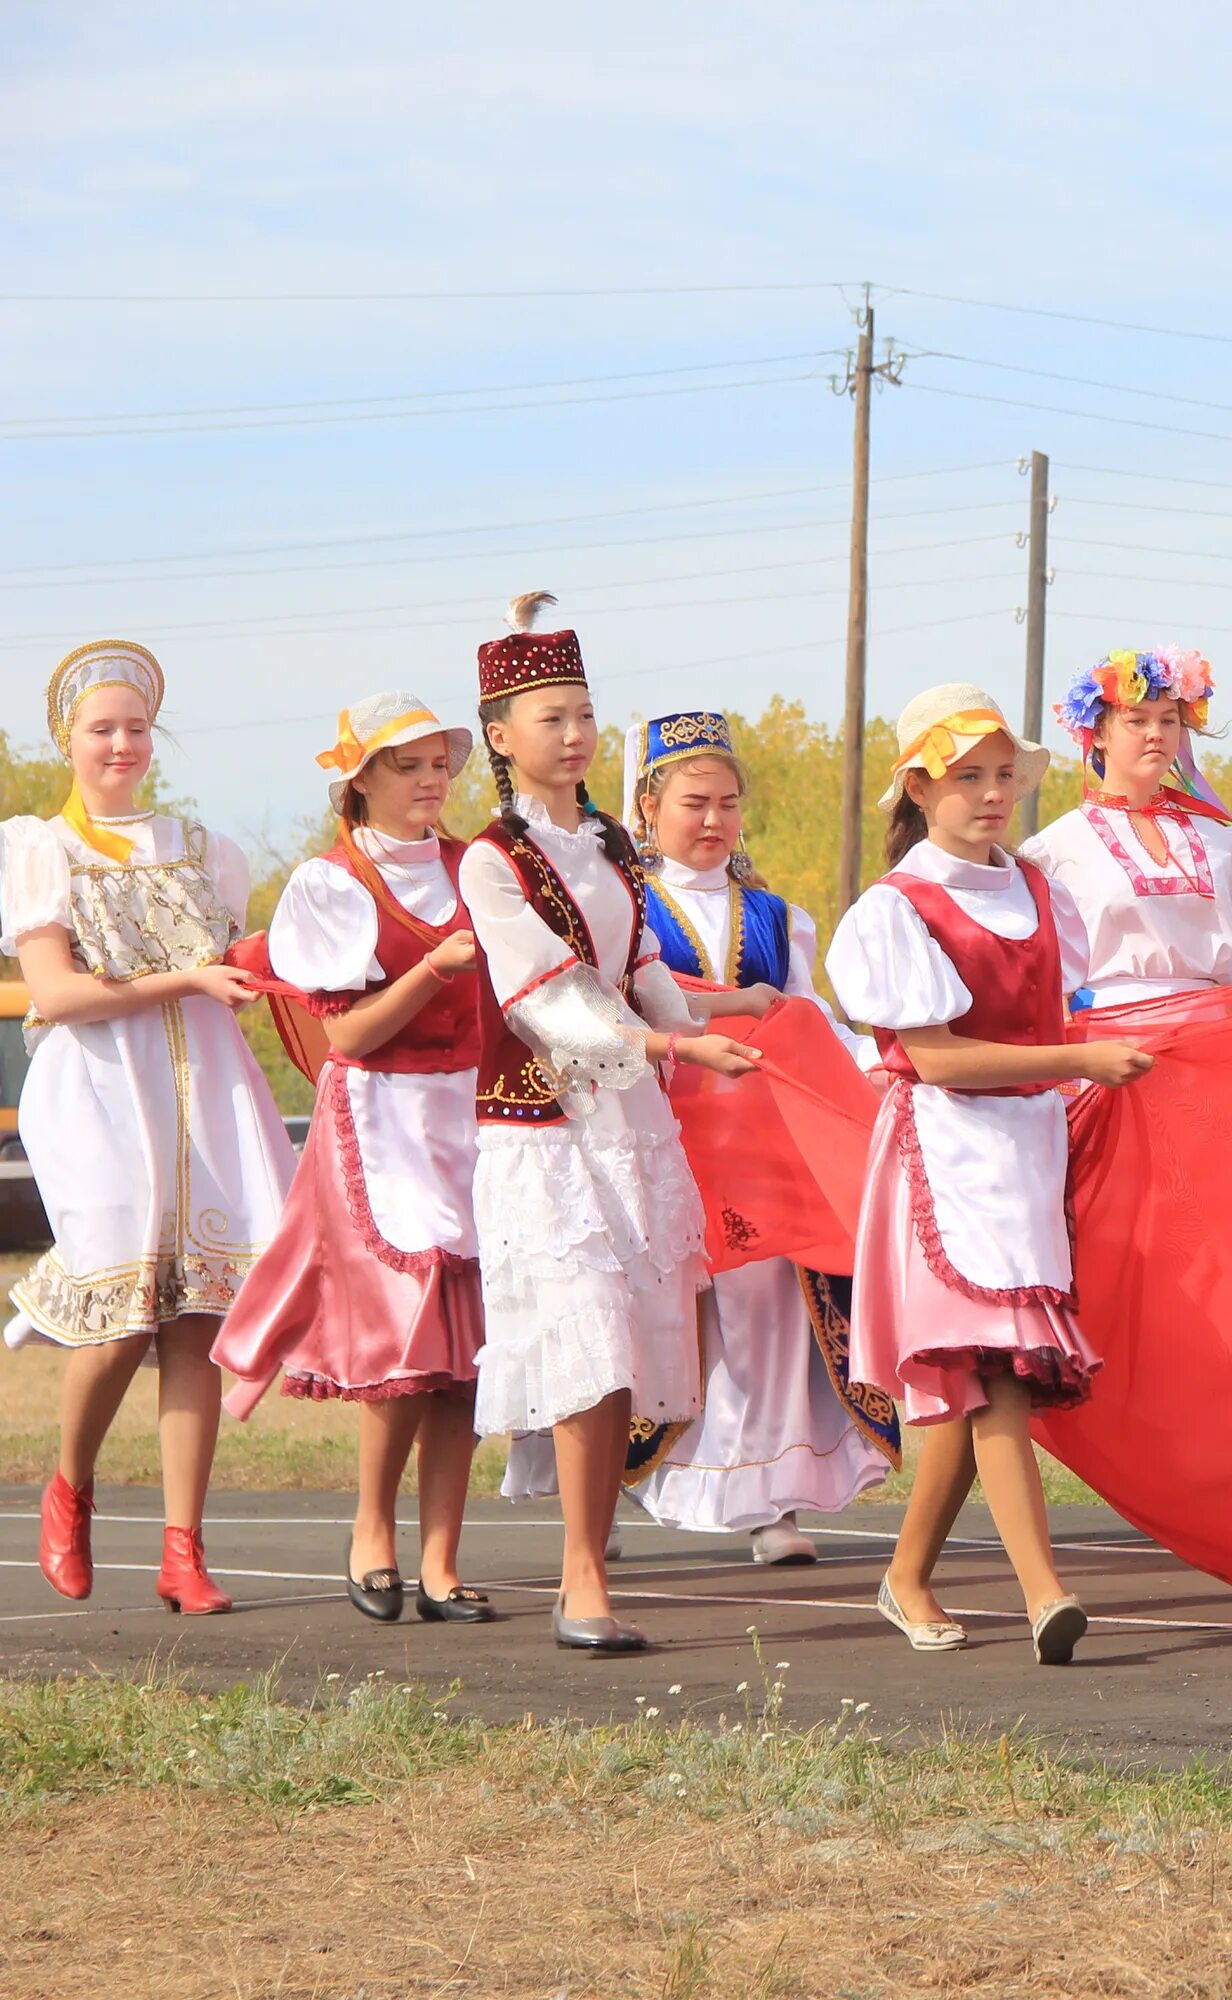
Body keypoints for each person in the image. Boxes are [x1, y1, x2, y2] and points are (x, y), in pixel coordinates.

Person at [460, 592, 758, 1652]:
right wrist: (676, 1047)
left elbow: (639, 970)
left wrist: (711, 1024)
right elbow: (544, 995)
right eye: (552, 716)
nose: (575, 732)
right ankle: (580, 1574)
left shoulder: (611, 840)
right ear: (502, 736)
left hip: (627, 1117)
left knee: (624, 1331)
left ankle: (592, 1554)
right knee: (583, 1321)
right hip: (542, 1129)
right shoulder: (491, 859)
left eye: (585, 712)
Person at [830, 683, 1148, 1664]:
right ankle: (1044, 1591)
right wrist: (1079, 1063)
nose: (992, 792)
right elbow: (934, 1059)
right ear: (921, 786)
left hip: (1026, 1151)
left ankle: (907, 1573)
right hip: (947, 1153)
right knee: (999, 1370)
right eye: (969, 775)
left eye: (1004, 774)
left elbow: (1070, 1014)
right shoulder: (896, 907)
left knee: (978, 1382)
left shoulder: (1038, 889)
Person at [4, 641, 294, 1613]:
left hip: (202, 1084)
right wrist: (191, 979)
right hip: (96, 1090)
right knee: (122, 1307)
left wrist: (247, 981)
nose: (120, 744)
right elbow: (56, 992)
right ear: (68, 740)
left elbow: (229, 975)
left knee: (197, 1316)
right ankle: (72, 1484)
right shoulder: (40, 848)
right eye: (101, 729)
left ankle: (184, 1546)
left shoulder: (210, 849)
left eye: (134, 727)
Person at [214, 693, 499, 1623]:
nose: (430, 781)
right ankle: (373, 1528)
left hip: (476, 1116)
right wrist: (432, 969)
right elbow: (352, 1039)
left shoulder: (480, 867)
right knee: (409, 1344)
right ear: (361, 781)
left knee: (470, 1355)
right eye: (407, 766)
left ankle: (445, 1560)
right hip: (381, 1118)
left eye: (437, 764)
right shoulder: (331, 884)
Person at [618, 711, 894, 1565]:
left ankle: (769, 1496)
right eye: (695, 802)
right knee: (663, 1313)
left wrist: (875, 1071)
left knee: (767, 1310)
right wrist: (734, 1006)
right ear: (649, 806)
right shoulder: (621, 906)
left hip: (764, 1147)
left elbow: (812, 1018)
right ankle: (614, 1479)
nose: (713, 821)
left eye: (728, 804)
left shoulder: (777, 915)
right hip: (661, 1133)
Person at [1023, 646, 1232, 1007]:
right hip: (1104, 1037)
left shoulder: (1222, 841)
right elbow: (1028, 963)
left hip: (1207, 1035)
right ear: (1098, 734)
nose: (1156, 733)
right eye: (1138, 720)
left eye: (1168, 720)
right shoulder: (1055, 849)